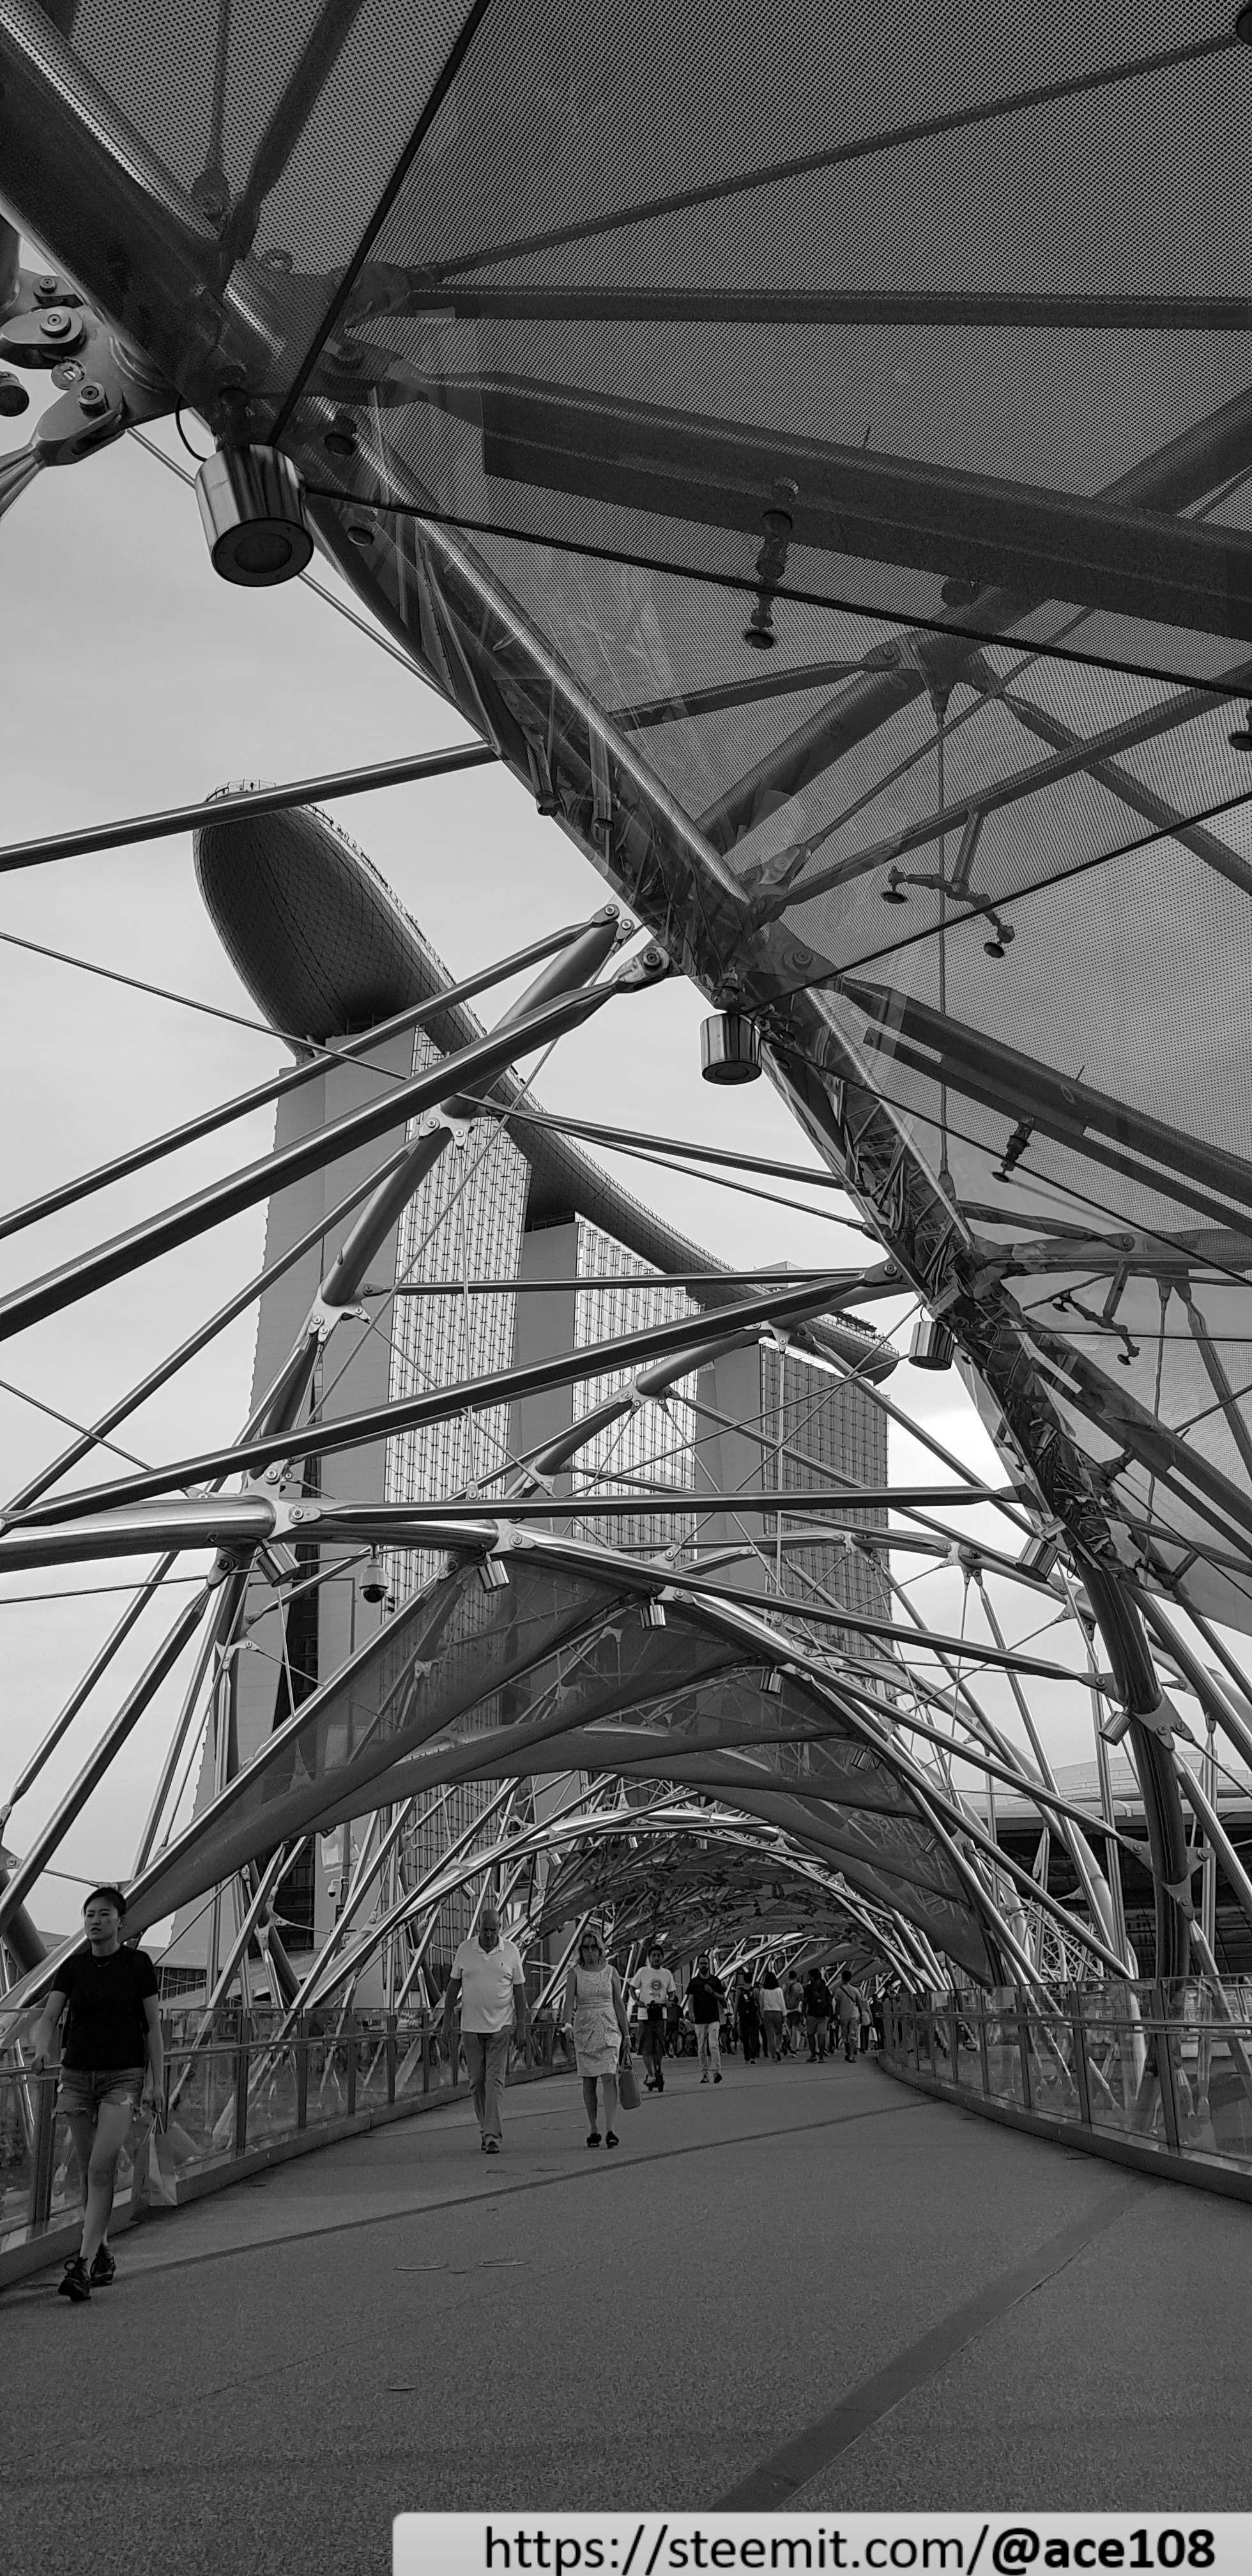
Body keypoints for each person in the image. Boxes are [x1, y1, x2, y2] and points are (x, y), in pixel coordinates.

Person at [28, 1885, 164, 2304]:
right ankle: (101, 2250)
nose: (95, 1921)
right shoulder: (72, 1968)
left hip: (123, 2079)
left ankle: (82, 2267)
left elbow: (153, 2028)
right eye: (89, 1914)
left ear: (120, 1921)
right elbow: (50, 2015)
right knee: (89, 2168)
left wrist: (158, 2082)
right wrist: (39, 2048)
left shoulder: (138, 1965)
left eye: (104, 1914)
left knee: (102, 2167)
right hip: (76, 2077)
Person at [442, 1901, 530, 2154]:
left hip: (501, 2026)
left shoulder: (511, 1952)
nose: (489, 1935)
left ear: (499, 1929)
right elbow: (452, 1989)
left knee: (494, 2081)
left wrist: (522, 2025)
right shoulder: (465, 1950)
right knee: (476, 2081)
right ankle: (486, 2127)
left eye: (494, 1930)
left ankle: (492, 2135)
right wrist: (447, 2022)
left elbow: (520, 1990)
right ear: (479, 1928)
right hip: (471, 2027)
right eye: (485, 1930)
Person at [563, 1926, 632, 2148]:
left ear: (600, 1949)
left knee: (610, 2076)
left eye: (594, 1947)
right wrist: (567, 2026)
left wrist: (627, 2033)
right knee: (589, 2080)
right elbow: (569, 2003)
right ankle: (594, 2128)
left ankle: (611, 2128)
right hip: (585, 2029)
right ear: (580, 1950)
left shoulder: (611, 1972)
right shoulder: (575, 1974)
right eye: (586, 1948)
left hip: (609, 2027)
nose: (590, 1952)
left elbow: (619, 2004)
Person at [632, 1942, 676, 2093]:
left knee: (659, 2046)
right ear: (650, 1958)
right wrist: (638, 2002)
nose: (656, 1958)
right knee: (646, 2046)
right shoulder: (643, 1972)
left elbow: (672, 1992)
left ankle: (658, 2070)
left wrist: (669, 2001)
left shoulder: (667, 1974)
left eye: (659, 1955)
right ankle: (651, 2074)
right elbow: (632, 1988)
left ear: (662, 1957)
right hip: (645, 2014)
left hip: (660, 2013)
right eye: (654, 1956)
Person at [686, 1954, 726, 2083]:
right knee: (701, 2047)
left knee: (713, 2045)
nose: (704, 1966)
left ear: (709, 1965)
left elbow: (723, 1998)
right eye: (702, 1964)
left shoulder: (715, 1981)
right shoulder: (694, 1982)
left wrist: (712, 1993)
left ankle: (716, 2072)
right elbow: (690, 1999)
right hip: (699, 2019)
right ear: (698, 1966)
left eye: (706, 1963)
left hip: (713, 2018)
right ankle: (704, 2073)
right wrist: (691, 2013)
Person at [802, 1963, 834, 2062]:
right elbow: (829, 2001)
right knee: (822, 2035)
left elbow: (805, 2002)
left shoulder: (808, 1988)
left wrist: (803, 2014)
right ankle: (821, 2057)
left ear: (812, 1976)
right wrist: (831, 2014)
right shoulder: (824, 1987)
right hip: (824, 2015)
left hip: (812, 2014)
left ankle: (813, 2055)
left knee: (811, 2035)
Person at [834, 1969, 862, 2062]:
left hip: (844, 2015)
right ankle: (851, 2055)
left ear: (842, 1978)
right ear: (851, 1978)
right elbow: (859, 2004)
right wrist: (861, 2015)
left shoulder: (838, 1991)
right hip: (854, 2014)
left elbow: (837, 2005)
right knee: (853, 2035)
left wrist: (836, 2016)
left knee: (845, 2035)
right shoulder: (855, 1990)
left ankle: (848, 2051)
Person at [758, 1969, 786, 2062]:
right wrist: (784, 2014)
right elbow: (782, 2003)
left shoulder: (763, 1991)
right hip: (778, 2012)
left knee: (770, 2035)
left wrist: (762, 2014)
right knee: (779, 2033)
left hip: (767, 2013)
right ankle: (778, 2048)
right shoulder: (779, 1990)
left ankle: (773, 2055)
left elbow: (761, 2004)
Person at [737, 1979, 761, 2064]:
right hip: (753, 2016)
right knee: (754, 2036)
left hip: (743, 2016)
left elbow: (736, 2004)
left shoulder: (739, 1991)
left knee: (745, 2036)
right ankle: (753, 2056)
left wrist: (736, 2015)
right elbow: (758, 2004)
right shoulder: (755, 1990)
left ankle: (746, 2056)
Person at [783, 1970, 804, 2056]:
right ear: (796, 1977)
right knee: (795, 2029)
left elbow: (782, 1997)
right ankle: (793, 2049)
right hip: (796, 2010)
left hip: (786, 2010)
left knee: (788, 2029)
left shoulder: (784, 1986)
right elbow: (801, 1997)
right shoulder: (798, 1985)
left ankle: (787, 2042)